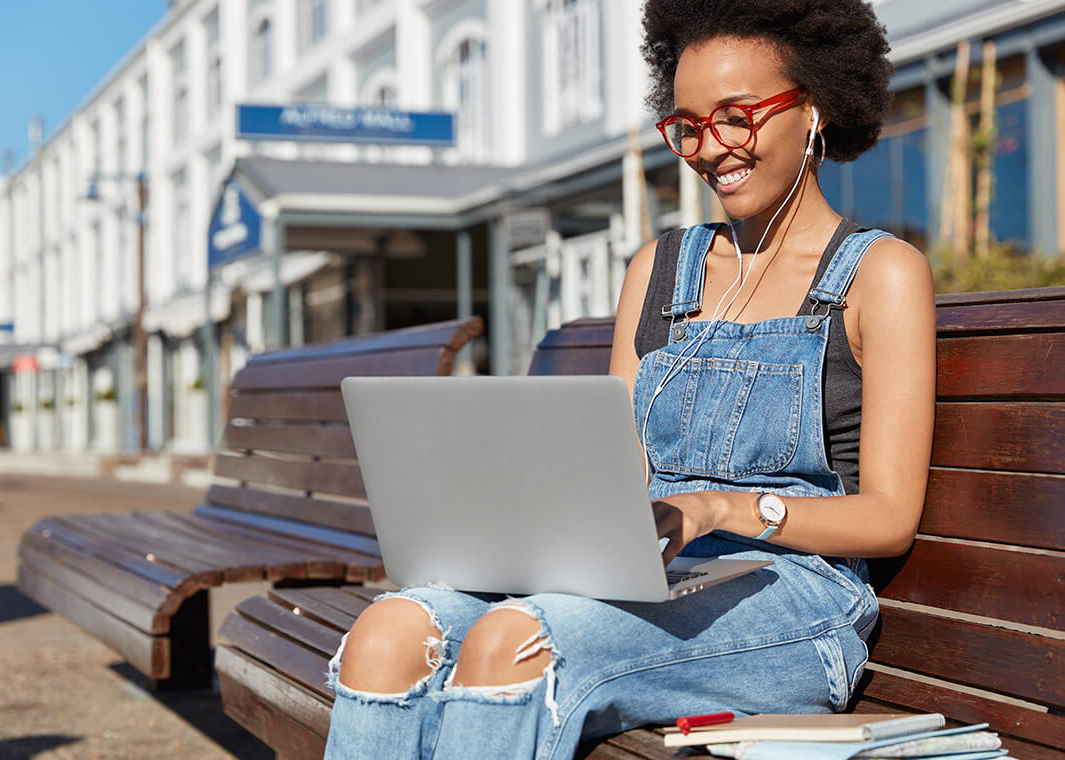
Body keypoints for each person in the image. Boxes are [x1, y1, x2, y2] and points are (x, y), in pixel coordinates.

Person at [322, 1, 936, 758]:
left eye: (736, 117)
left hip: (797, 601)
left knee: (514, 645)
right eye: (689, 126)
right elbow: (622, 472)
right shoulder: (659, 270)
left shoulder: (881, 274)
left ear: (813, 109)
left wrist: (716, 508)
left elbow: (888, 516)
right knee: (388, 632)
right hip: (650, 575)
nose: (712, 149)